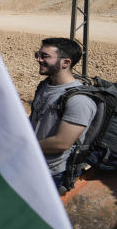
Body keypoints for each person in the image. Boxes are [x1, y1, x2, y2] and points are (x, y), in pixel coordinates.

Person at [30, 37, 97, 193]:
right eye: (38, 55)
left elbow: (61, 143)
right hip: (33, 163)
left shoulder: (79, 100)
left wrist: (25, 147)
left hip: (52, 174)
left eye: (45, 56)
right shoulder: (45, 86)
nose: (38, 60)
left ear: (65, 63)